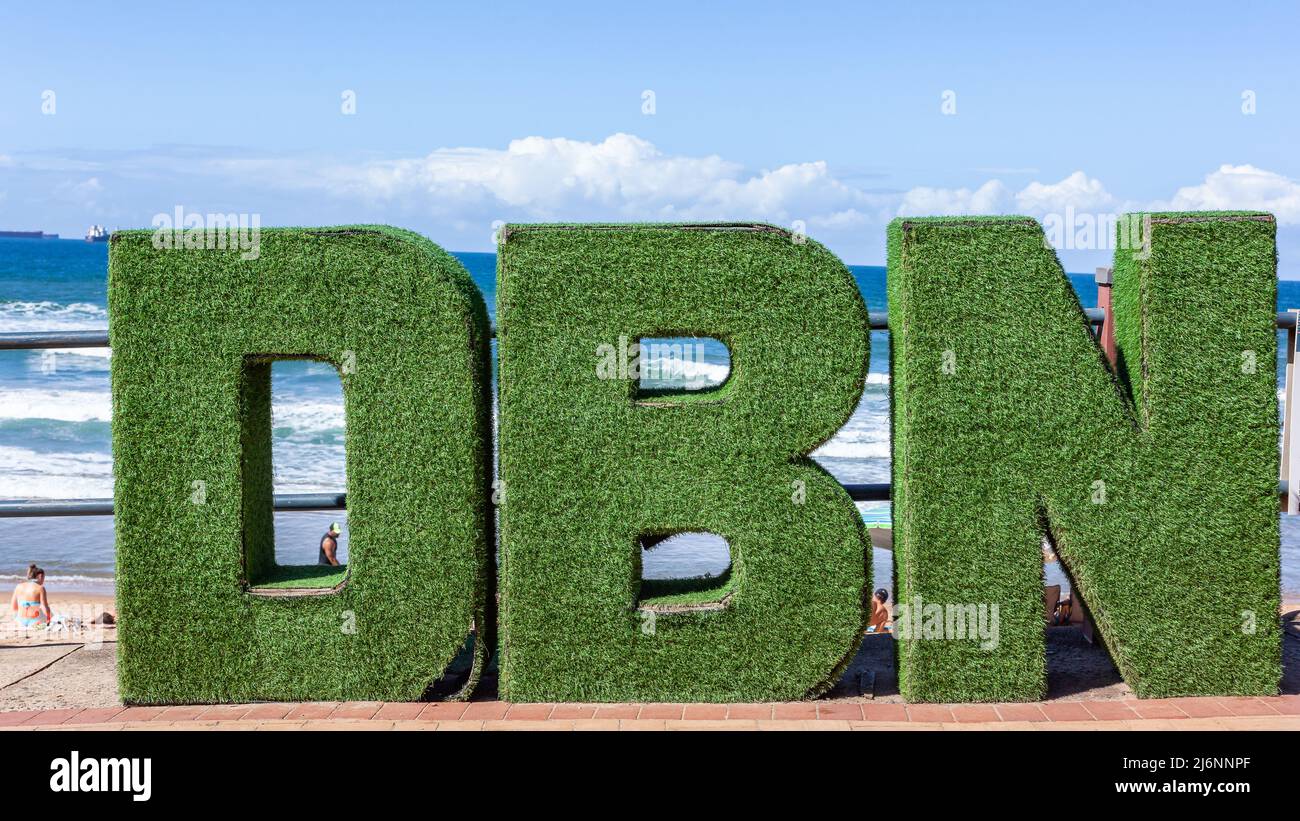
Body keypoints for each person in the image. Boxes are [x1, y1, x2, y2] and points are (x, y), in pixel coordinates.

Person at [11, 564, 52, 628]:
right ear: (40, 576)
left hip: (20, 621)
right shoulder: (40, 588)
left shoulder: (18, 586)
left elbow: (14, 607)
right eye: (44, 578)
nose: (43, 580)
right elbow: (44, 607)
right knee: (50, 613)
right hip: (35, 622)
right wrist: (49, 618)